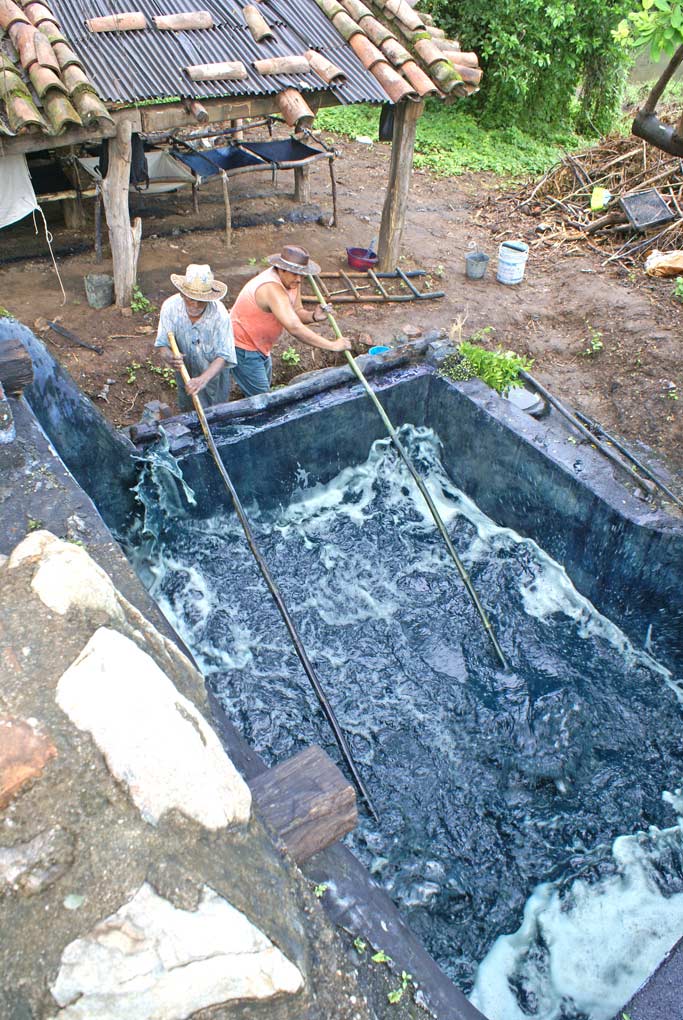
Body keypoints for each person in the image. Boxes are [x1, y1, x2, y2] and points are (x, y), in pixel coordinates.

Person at [230, 244, 351, 396]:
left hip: (261, 346)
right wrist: (332, 345)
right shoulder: (272, 289)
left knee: (263, 394)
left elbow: (297, 311)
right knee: (263, 401)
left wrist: (313, 316)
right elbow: (294, 327)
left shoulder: (292, 281)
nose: (299, 279)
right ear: (281, 269)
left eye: (301, 274)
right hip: (243, 348)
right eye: (294, 274)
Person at [154, 264, 236, 411]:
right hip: (185, 378)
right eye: (191, 299)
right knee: (188, 414)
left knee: (217, 416)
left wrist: (202, 380)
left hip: (214, 381)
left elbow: (224, 355)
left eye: (201, 300)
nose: (196, 305)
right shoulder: (170, 308)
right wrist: (169, 356)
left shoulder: (219, 315)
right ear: (182, 294)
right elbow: (162, 345)